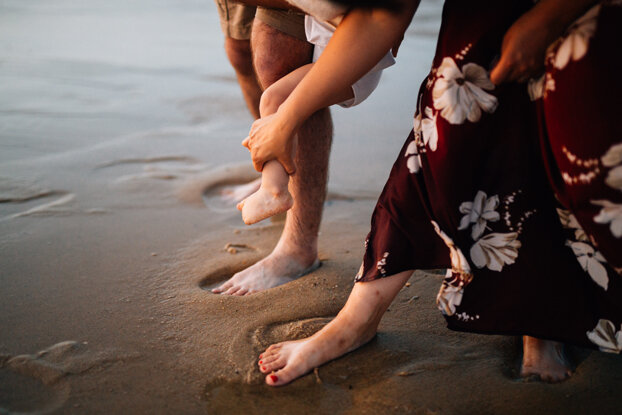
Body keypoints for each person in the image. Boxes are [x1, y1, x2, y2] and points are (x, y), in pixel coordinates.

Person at [245, 0, 622, 386]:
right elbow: (383, 13)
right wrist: (286, 119)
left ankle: (544, 321)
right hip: (478, 17)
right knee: (444, 144)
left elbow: (382, 14)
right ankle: (353, 322)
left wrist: (548, 17)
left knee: (573, 153)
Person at [212, 1, 334, 295]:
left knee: (281, 77)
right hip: (356, 29)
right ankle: (275, 171)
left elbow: (375, 32)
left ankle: (292, 233)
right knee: (241, 50)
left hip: (357, 36)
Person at [236, 4, 396, 225]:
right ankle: (274, 178)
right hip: (344, 55)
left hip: (355, 60)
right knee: (276, 103)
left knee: (274, 100)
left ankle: (273, 189)